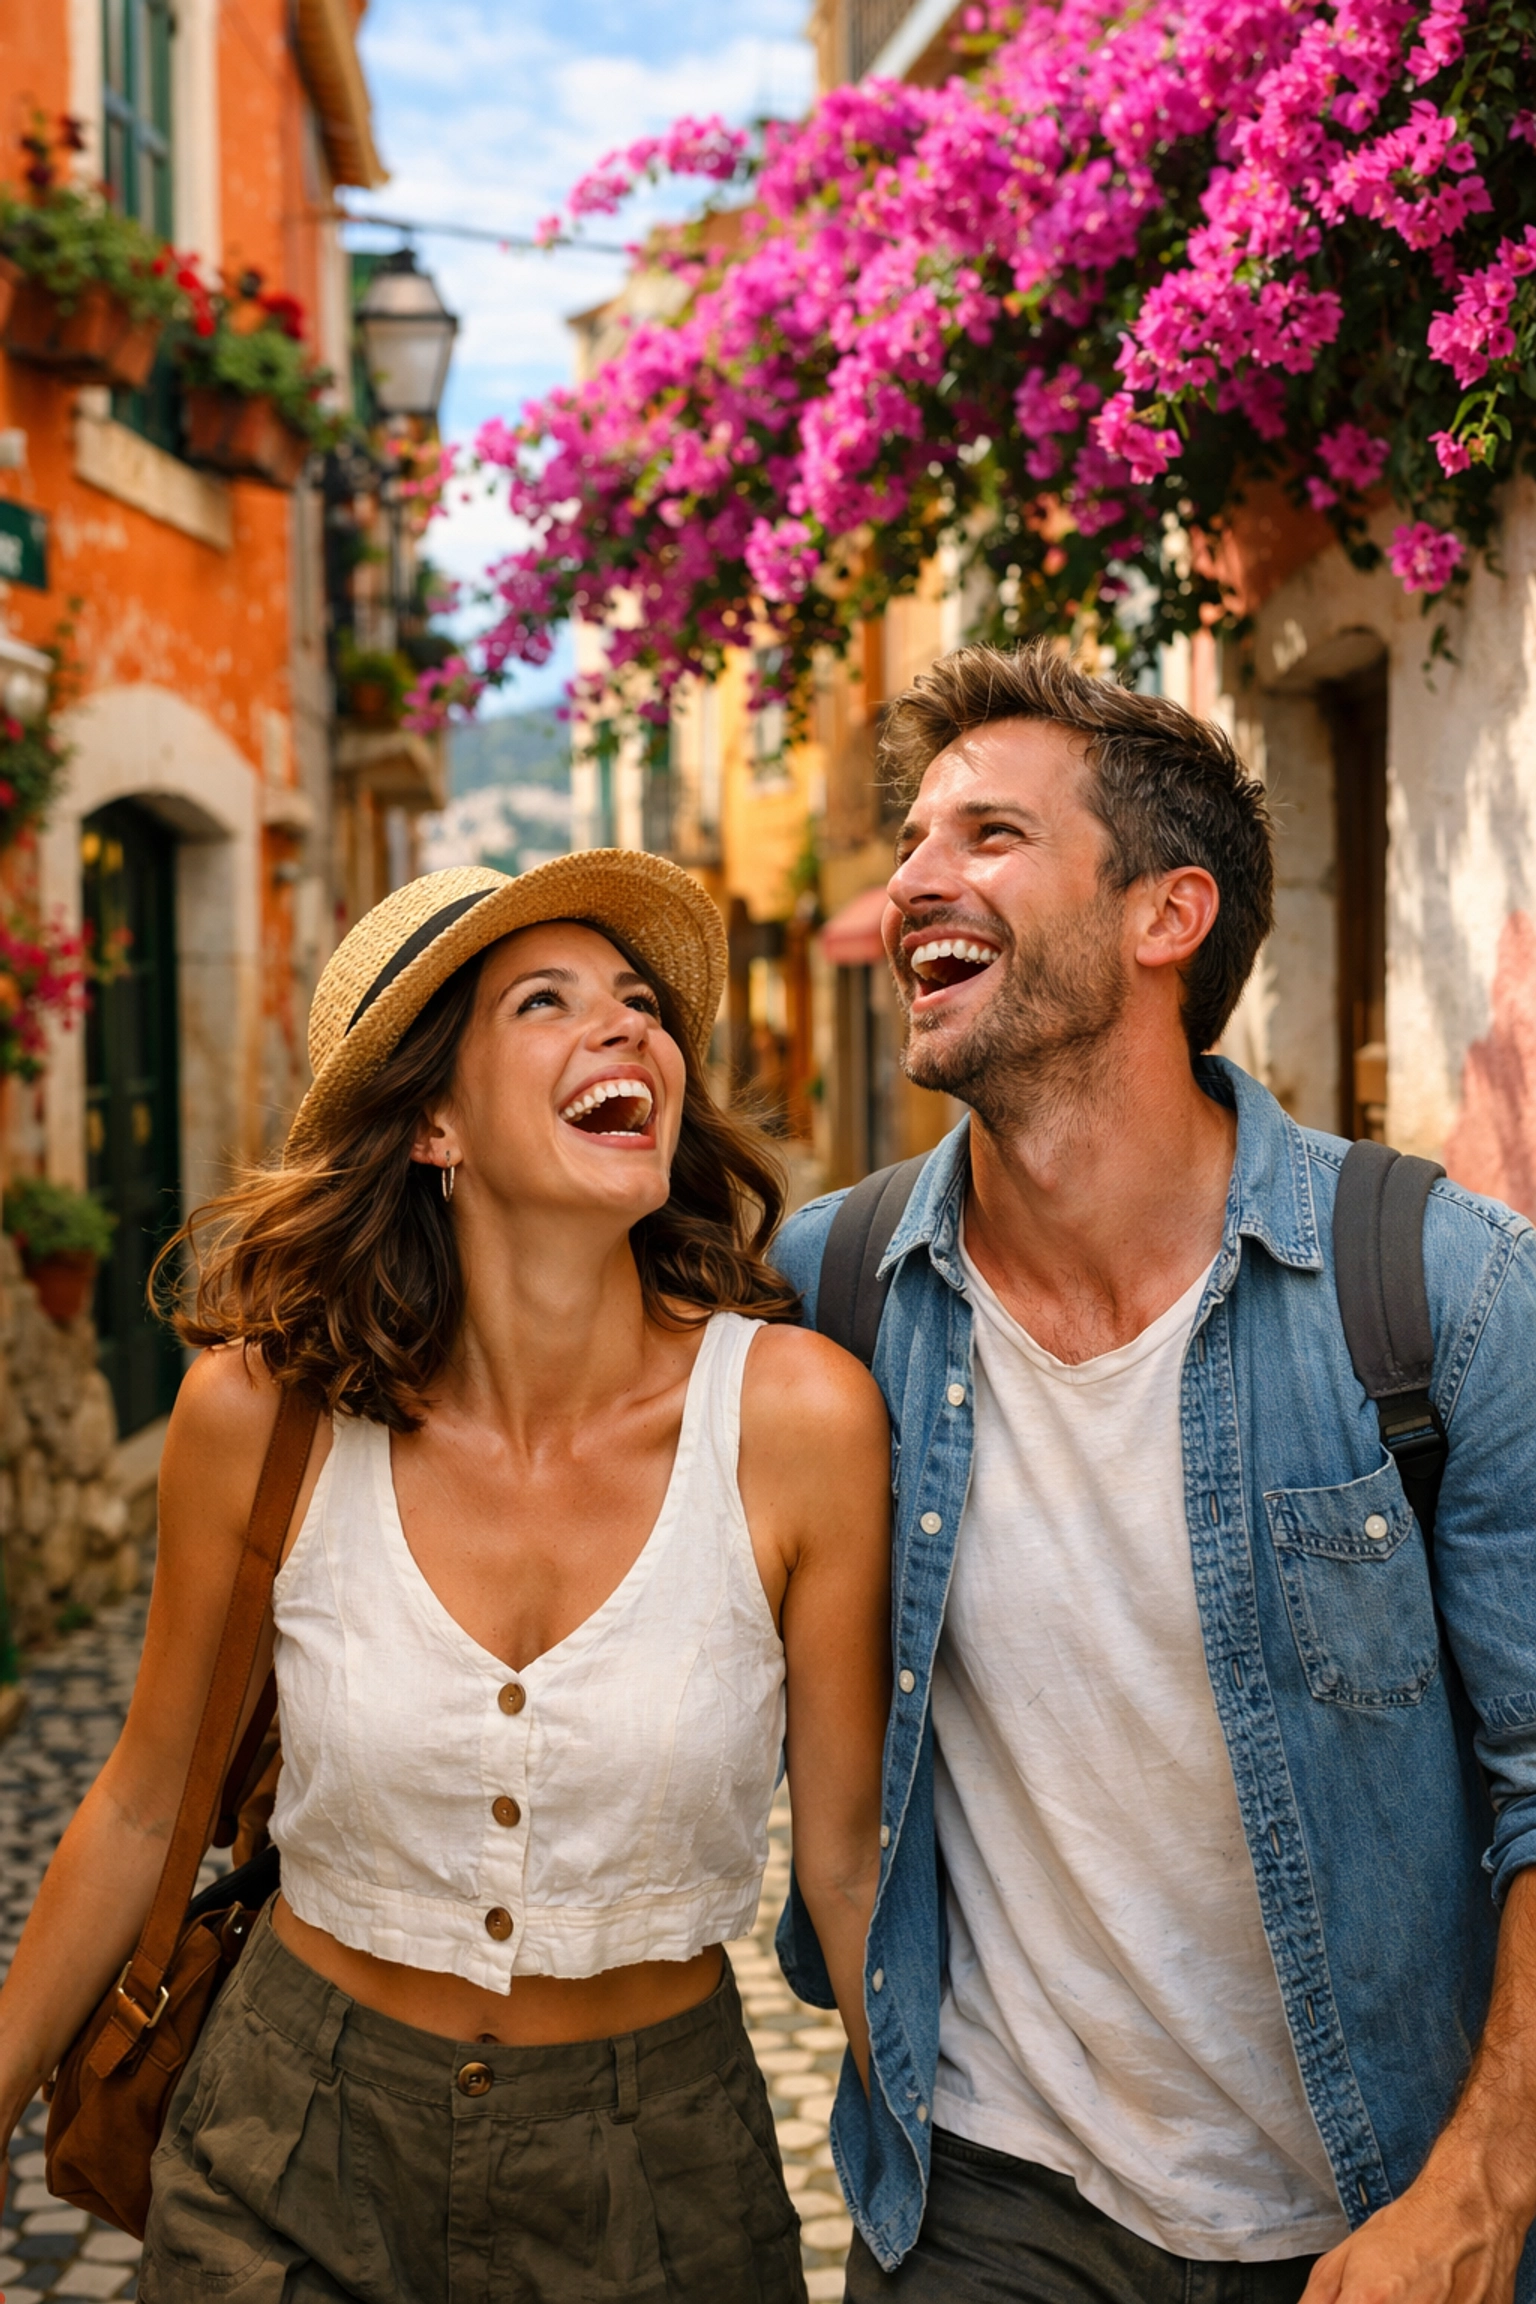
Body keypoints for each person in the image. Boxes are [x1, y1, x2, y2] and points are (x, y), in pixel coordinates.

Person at [0, 853, 892, 2303]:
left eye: (640, 1004)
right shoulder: (260, 1417)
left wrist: (943, 2196)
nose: (629, 1032)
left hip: (658, 2178)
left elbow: (846, 1866)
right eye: (547, 1001)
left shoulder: (799, 1422)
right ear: (432, 1121)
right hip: (289, 2145)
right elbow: (145, 1795)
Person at [773, 642, 1536, 2304]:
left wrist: (1481, 2188)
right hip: (987, 2195)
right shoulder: (828, 1301)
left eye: (985, 835)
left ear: (1164, 918)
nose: (912, 882)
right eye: (911, 841)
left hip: (1371, 2214)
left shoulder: (1442, 1295)